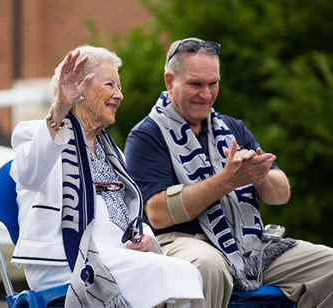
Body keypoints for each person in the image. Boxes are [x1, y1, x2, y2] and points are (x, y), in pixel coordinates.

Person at [124, 38, 333, 308]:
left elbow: (281, 194)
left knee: (329, 265)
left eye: (214, 83)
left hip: (249, 245)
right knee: (207, 267)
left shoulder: (232, 127)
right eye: (195, 84)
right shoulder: (147, 135)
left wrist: (259, 176)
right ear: (169, 81)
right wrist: (228, 180)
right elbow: (158, 213)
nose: (207, 94)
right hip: (180, 241)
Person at [9, 45, 205, 308]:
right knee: (175, 274)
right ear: (78, 88)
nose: (119, 95)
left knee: (182, 271)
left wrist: (148, 240)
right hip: (64, 259)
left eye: (119, 87)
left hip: (119, 255)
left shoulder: (114, 154)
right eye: (110, 84)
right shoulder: (39, 133)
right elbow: (28, 176)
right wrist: (59, 110)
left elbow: (130, 216)